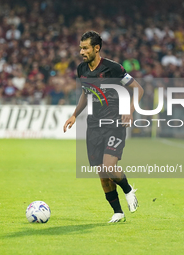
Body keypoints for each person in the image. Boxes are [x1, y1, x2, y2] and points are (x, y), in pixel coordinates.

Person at [63, 31, 144, 223]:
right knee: (102, 172)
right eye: (81, 47)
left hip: (114, 124)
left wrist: (130, 110)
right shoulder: (81, 69)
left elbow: (138, 89)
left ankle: (128, 190)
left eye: (85, 48)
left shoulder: (113, 68)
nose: (81, 51)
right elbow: (86, 93)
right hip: (94, 126)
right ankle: (118, 212)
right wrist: (75, 114)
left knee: (109, 166)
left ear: (96, 48)